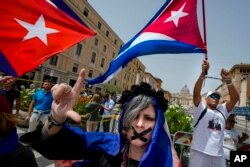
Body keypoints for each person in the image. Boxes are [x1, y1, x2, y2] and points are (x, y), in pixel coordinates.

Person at [20, 69, 181, 167]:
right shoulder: (105, 145)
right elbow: (59, 144)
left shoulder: (168, 162)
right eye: (134, 116)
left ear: (158, 124)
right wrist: (56, 117)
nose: (139, 124)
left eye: (148, 118)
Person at [189, 60, 240, 167]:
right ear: (206, 99)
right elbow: (196, 93)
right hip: (199, 153)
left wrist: (228, 81)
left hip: (218, 155)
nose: (215, 98)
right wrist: (203, 73)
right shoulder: (201, 109)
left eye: (217, 97)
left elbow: (235, 98)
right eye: (212, 96)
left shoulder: (222, 111)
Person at [0, 77, 38, 167]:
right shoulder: (0, 89)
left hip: (7, 115)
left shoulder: (16, 91)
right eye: (9, 78)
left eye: (13, 79)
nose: (10, 80)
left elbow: (17, 102)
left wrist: (17, 112)